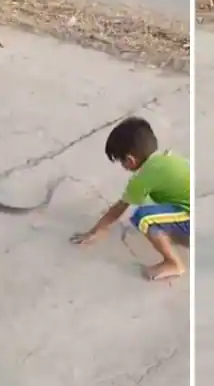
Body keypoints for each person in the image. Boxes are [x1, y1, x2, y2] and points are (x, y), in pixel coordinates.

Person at [71, 116, 190, 281]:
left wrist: (94, 231)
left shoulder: (142, 178)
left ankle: (174, 263)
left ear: (130, 160)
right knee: (151, 201)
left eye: (121, 162)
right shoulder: (166, 158)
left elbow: (119, 209)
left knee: (143, 218)